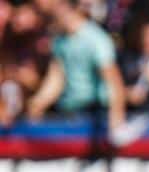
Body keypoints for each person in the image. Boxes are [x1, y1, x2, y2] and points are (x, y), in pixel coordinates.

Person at [26, 0, 126, 134]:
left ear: (70, 9)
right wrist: (37, 104)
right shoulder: (59, 41)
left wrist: (116, 119)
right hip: (69, 113)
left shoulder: (96, 39)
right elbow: (56, 79)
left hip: (94, 115)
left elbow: (113, 81)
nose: (53, 16)